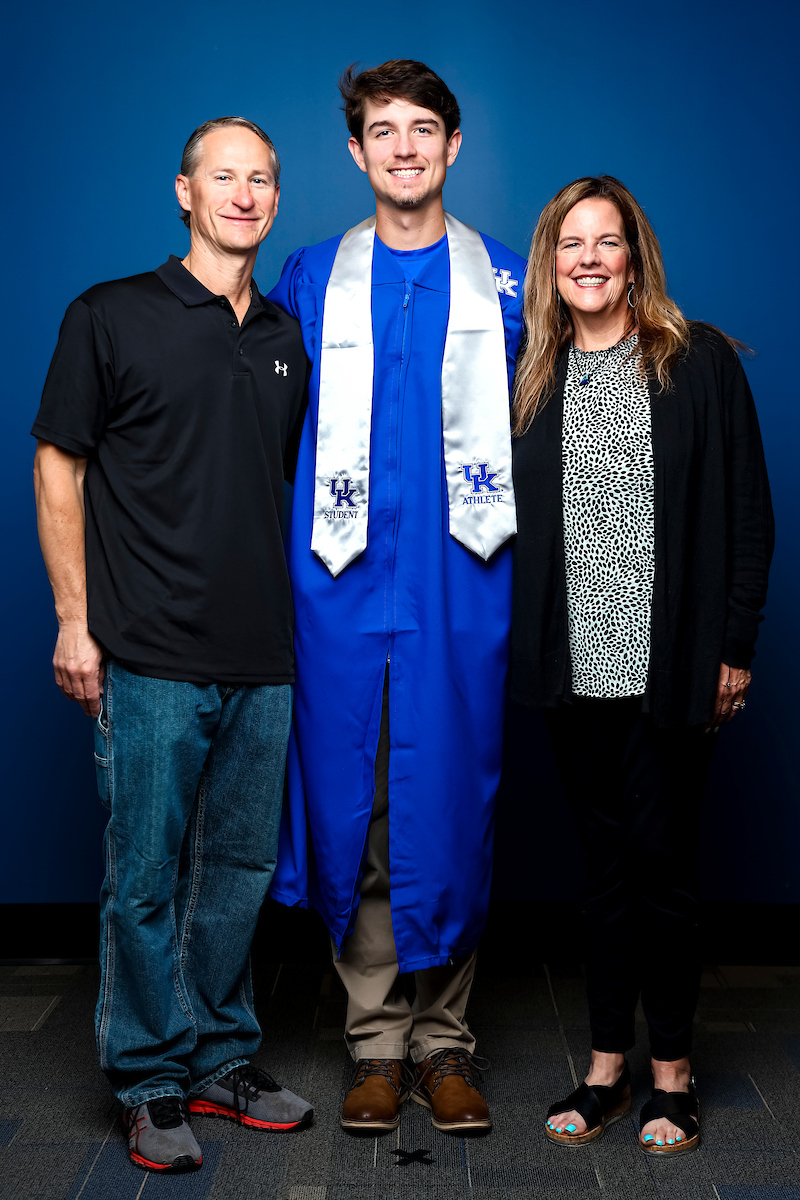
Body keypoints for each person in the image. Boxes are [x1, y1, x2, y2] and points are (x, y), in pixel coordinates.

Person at [32, 117, 313, 1173]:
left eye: (261, 180)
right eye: (222, 177)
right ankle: (150, 1081)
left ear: (275, 201)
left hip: (263, 657)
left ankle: (218, 1059)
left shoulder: (283, 337)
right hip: (144, 650)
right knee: (145, 875)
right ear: (184, 194)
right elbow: (58, 466)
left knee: (236, 869)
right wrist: (74, 619)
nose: (243, 194)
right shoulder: (110, 314)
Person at [268, 60, 525, 1135]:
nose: (406, 148)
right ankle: (373, 1042)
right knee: (354, 798)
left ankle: (445, 1044)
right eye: (384, 131)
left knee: (451, 799)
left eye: (425, 129)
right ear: (356, 152)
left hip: (462, 583)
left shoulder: (510, 283)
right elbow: (255, 432)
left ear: (453, 146)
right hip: (338, 582)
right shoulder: (310, 276)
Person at [510, 175, 773, 1156]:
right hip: (570, 673)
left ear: (632, 256)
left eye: (604, 241)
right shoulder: (529, 376)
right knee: (599, 875)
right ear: (548, 263)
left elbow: (747, 511)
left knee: (661, 870)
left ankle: (671, 1075)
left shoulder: (693, 360)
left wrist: (732, 649)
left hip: (667, 669)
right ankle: (605, 1070)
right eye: (567, 243)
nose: (585, 258)